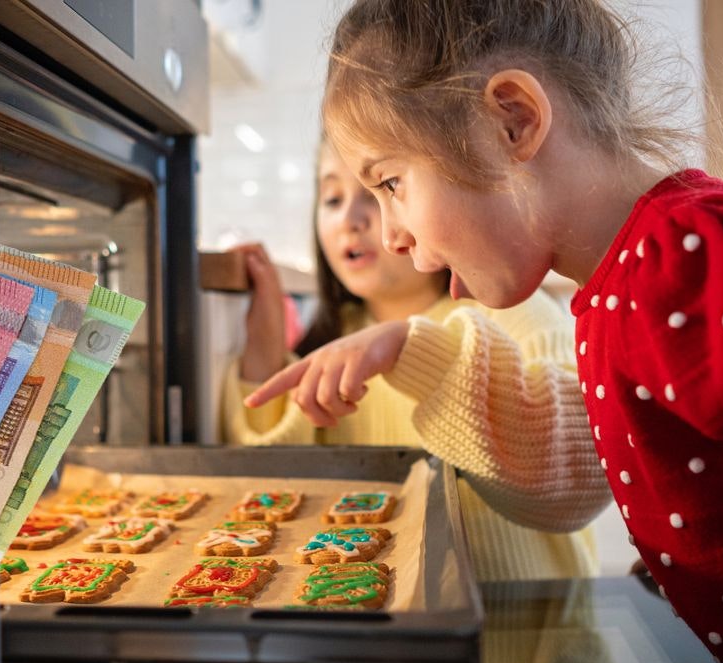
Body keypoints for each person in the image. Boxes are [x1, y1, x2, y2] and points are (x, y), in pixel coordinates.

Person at [246, 1, 723, 663]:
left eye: (391, 183)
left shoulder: (682, 267)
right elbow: (611, 453)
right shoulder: (624, 283)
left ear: (512, 120)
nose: (393, 233)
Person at [224, 137, 612, 582]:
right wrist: (264, 349)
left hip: (532, 638)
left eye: (385, 189)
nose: (351, 220)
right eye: (332, 197)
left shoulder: (515, 310)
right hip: (386, 639)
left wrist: (412, 350)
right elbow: (272, 500)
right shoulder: (333, 340)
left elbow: (580, 465)